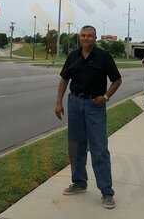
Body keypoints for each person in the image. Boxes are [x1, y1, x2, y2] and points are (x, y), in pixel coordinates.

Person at [54, 25, 122, 209]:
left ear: (95, 37)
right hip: (75, 103)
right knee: (76, 146)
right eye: (83, 35)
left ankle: (107, 192)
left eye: (90, 36)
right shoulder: (73, 56)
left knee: (99, 148)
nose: (86, 38)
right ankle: (79, 183)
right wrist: (59, 102)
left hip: (95, 106)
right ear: (79, 37)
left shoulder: (104, 57)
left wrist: (106, 96)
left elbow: (117, 79)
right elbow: (64, 79)